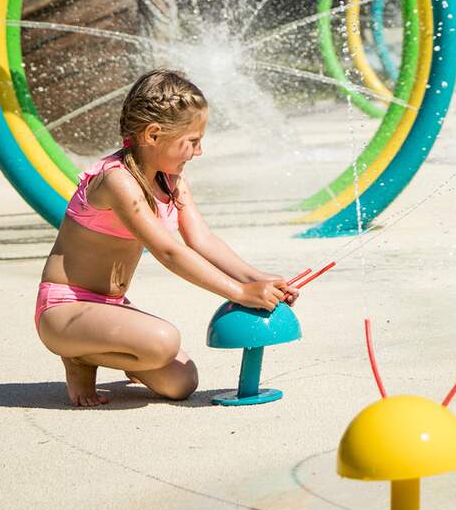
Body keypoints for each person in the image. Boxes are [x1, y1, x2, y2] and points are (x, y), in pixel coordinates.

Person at [34, 69, 299, 406]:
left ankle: (103, 350)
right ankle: (79, 358)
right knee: (164, 340)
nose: (199, 151)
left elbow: (201, 240)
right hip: (65, 309)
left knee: (181, 383)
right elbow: (168, 250)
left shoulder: (169, 179)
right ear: (153, 134)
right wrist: (240, 292)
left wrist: (260, 279)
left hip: (111, 308)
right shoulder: (118, 181)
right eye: (192, 141)